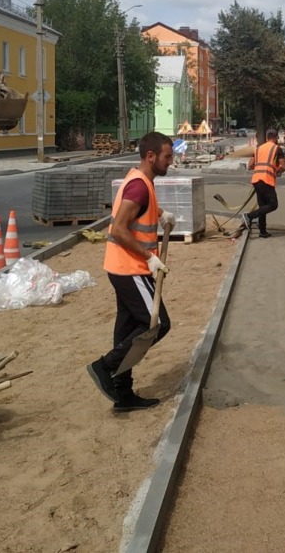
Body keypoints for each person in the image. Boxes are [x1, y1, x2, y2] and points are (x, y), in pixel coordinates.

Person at [87, 131, 178, 412]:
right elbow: (118, 229)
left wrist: (160, 214)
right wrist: (149, 259)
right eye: (167, 156)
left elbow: (140, 210)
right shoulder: (139, 186)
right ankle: (105, 366)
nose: (170, 161)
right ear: (150, 156)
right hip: (131, 268)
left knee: (127, 329)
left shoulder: (141, 181)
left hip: (121, 267)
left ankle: (123, 393)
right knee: (155, 324)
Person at [243, 127, 285, 238]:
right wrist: (277, 170)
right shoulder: (276, 149)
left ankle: (262, 231)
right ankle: (249, 216)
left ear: (267, 138)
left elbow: (250, 165)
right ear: (276, 138)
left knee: (262, 206)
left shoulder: (258, 149)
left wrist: (259, 168)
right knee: (273, 204)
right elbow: (284, 166)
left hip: (256, 179)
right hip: (266, 179)